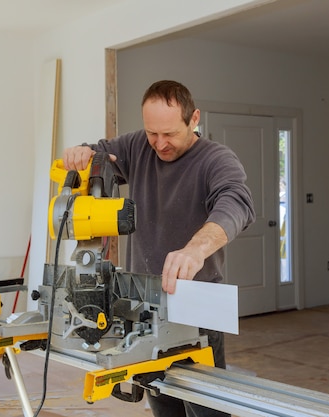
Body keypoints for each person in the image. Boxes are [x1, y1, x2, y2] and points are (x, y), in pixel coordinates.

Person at [62, 80, 255, 417]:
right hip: (146, 302)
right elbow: (98, 154)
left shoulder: (216, 159)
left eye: (169, 134)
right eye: (153, 133)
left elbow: (236, 205)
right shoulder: (139, 146)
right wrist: (82, 152)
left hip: (198, 304)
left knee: (206, 408)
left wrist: (196, 248)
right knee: (162, 400)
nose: (160, 144)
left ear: (193, 119)